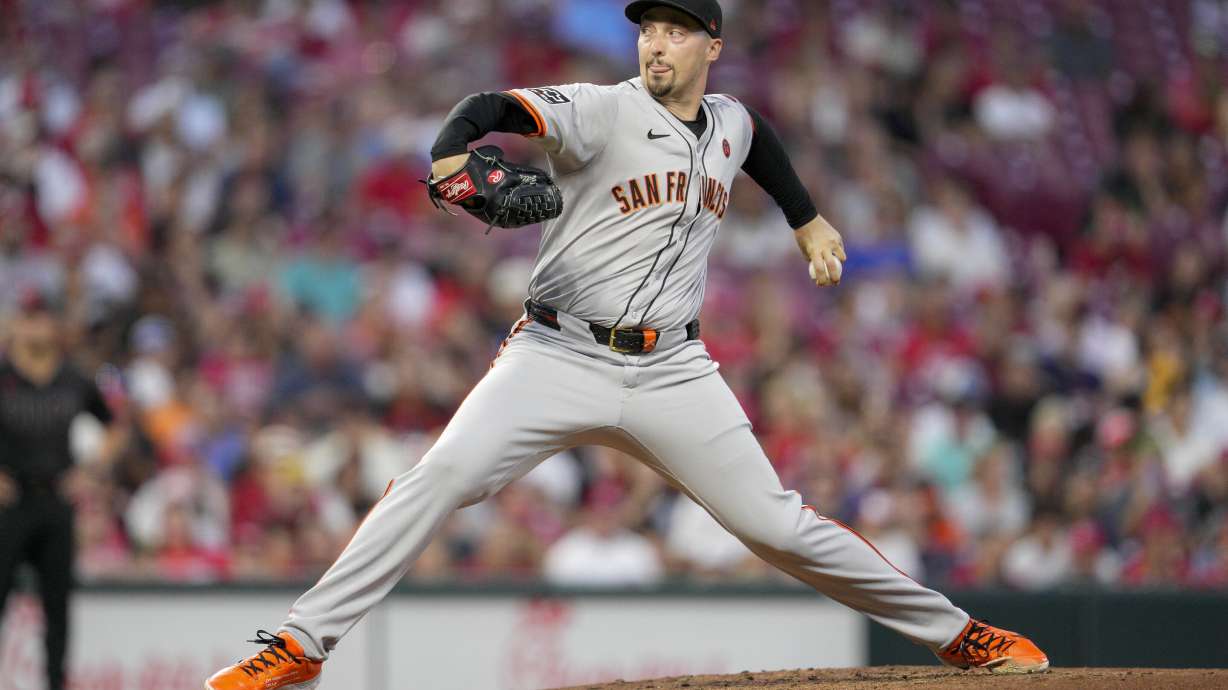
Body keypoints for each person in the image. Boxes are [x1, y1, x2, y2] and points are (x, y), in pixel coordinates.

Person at [206, 2, 1048, 688]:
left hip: (673, 368)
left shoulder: (730, 122)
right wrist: (451, 153)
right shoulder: (606, 109)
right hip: (557, 353)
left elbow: (759, 147)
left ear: (712, 45)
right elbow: (496, 110)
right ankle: (301, 645)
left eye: (676, 29)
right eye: (647, 28)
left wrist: (807, 217)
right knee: (440, 478)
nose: (656, 42)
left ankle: (959, 635)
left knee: (778, 528)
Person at [0, 293, 126, 690]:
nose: (35, 327)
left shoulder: (73, 378)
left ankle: (56, 684)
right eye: (28, 318)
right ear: (16, 325)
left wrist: (90, 472)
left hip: (55, 499)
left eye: (42, 318)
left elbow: (116, 425)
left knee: (58, 607)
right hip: (10, 502)